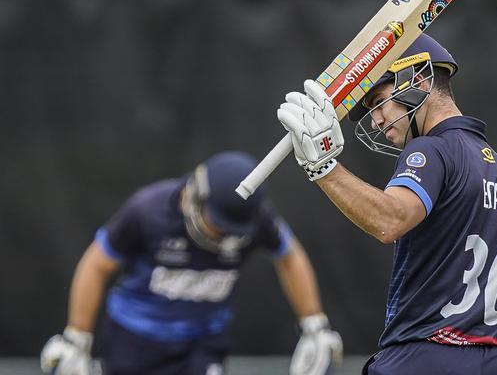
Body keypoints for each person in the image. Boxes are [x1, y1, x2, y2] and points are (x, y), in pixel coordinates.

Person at [277, 34, 497, 374]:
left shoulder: (430, 150)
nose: (377, 120)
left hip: (429, 354)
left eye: (379, 102)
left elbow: (391, 220)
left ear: (418, 80)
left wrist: (323, 168)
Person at [41, 151, 342, 375]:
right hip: (134, 340)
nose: (225, 235)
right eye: (219, 224)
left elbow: (289, 255)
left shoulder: (253, 219)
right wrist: (77, 336)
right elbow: (97, 264)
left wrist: (314, 325)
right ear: (194, 196)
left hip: (203, 342)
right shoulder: (147, 210)